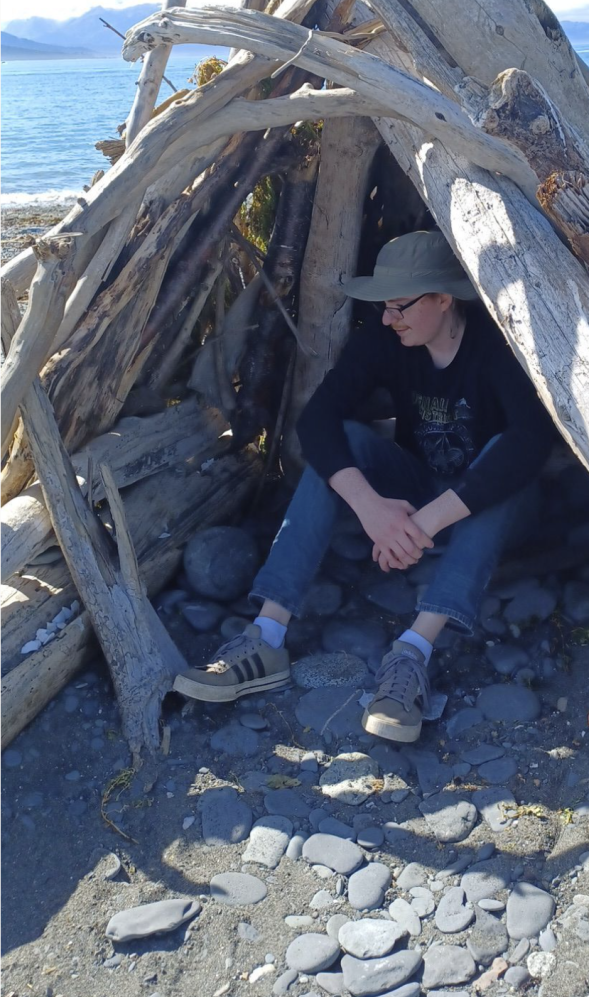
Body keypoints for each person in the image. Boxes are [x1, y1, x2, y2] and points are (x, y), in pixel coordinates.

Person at [174, 230, 556, 742]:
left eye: (399, 305)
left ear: (443, 299)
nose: (387, 317)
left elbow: (531, 441)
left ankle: (411, 656)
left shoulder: (494, 346)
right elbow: (318, 422)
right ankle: (266, 635)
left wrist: (425, 521)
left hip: (494, 510)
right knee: (348, 440)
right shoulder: (385, 339)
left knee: (500, 460)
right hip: (416, 489)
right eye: (384, 306)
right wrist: (371, 508)